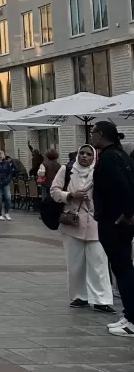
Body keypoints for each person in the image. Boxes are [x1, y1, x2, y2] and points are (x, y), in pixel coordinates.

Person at [50, 145, 114, 313]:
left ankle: (101, 299)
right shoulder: (66, 170)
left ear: (94, 157)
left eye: (89, 154)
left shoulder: (99, 172)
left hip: (95, 222)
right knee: (75, 263)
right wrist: (70, 195)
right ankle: (80, 296)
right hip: (72, 222)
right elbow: (54, 191)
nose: (84, 156)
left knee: (99, 262)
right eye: (82, 153)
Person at [90, 120, 134, 337]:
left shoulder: (109, 158)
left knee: (123, 269)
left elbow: (123, 187)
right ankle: (129, 314)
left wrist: (128, 213)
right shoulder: (121, 155)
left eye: (92, 133)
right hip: (116, 220)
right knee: (122, 268)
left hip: (114, 222)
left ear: (100, 134)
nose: (91, 137)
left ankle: (132, 320)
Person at [0, 149, 14, 220]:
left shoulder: (7, 163)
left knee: (8, 198)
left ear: (1, 154)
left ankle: (6, 212)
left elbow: (10, 173)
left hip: (5, 182)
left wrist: (7, 180)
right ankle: (0, 214)